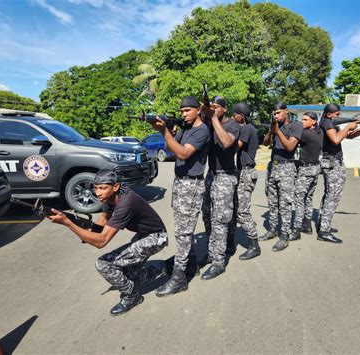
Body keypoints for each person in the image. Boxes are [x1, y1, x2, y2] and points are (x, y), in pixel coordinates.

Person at [47, 169, 168, 316]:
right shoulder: (109, 198)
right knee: (129, 277)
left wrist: (68, 223)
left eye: (103, 188)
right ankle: (168, 266)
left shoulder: (126, 203)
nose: (98, 193)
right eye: (96, 188)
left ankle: (132, 296)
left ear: (115, 187)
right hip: (144, 235)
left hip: (156, 237)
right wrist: (88, 232)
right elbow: (103, 219)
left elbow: (102, 241)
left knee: (104, 264)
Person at [151, 96, 210, 297]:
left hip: (191, 184)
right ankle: (191, 264)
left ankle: (178, 279)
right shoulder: (185, 128)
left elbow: (184, 154)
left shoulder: (202, 131)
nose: (183, 114)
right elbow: (171, 150)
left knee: (183, 233)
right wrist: (167, 132)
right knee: (183, 229)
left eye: (187, 110)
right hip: (180, 182)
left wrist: (164, 131)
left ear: (197, 110)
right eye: (181, 111)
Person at [318, 103, 360, 243]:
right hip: (332, 163)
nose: (339, 117)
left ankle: (323, 224)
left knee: (330, 195)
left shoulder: (329, 123)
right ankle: (324, 231)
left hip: (334, 162)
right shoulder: (326, 122)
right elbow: (336, 140)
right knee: (333, 196)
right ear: (329, 114)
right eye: (337, 115)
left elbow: (351, 136)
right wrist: (349, 125)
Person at [201, 96, 240, 280]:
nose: (212, 109)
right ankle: (212, 251)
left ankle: (219, 262)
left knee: (220, 219)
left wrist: (213, 118)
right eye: (211, 107)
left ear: (224, 109)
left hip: (226, 175)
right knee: (207, 215)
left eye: (216, 107)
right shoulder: (208, 124)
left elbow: (226, 142)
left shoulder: (233, 125)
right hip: (211, 174)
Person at [258, 103, 303, 252]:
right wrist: (271, 132)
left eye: (278, 113)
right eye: (274, 114)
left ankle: (284, 235)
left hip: (287, 167)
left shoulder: (296, 126)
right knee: (272, 201)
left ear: (286, 111)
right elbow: (264, 143)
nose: (276, 116)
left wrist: (278, 132)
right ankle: (272, 230)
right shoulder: (275, 126)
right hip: (273, 166)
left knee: (285, 203)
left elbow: (290, 147)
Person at [229, 102, 261, 260]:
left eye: (234, 114)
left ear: (241, 115)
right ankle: (230, 242)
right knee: (236, 209)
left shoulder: (247, 129)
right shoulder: (247, 128)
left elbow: (234, 149)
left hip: (246, 173)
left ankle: (255, 245)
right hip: (242, 171)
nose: (231, 117)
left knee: (242, 211)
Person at [289, 111, 322, 241]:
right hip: (314, 169)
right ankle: (307, 225)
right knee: (308, 198)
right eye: (302, 120)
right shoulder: (318, 133)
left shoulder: (306, 134)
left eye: (305, 120)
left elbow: (291, 140)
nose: (302, 122)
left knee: (299, 199)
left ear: (313, 121)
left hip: (306, 170)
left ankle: (296, 229)